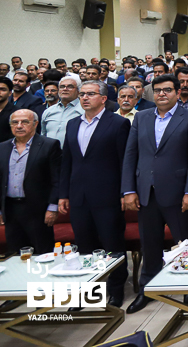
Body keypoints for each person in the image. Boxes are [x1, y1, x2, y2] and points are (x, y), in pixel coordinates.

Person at [122, 74, 188, 314]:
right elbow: (131, 154)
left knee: (184, 243)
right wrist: (129, 189)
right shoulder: (142, 117)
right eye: (157, 90)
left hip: (178, 193)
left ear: (177, 92)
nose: (161, 94)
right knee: (149, 243)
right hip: (145, 192)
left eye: (167, 90)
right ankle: (147, 289)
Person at [58, 80, 130, 308]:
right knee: (84, 245)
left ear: (103, 98)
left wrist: (125, 191)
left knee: (112, 244)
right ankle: (88, 292)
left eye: (90, 94)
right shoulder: (72, 124)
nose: (85, 98)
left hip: (108, 195)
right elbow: (67, 162)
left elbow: (124, 162)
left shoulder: (118, 123)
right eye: (82, 94)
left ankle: (116, 290)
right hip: (79, 195)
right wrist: (63, 194)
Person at [0, 109, 61, 255]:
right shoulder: (2, 147)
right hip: (10, 209)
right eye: (15, 122)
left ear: (35, 124)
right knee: (15, 254)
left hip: (38, 210)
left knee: (43, 253)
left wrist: (53, 207)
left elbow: (57, 179)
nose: (19, 126)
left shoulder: (49, 145)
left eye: (24, 122)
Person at [41, 77, 82, 145]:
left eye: (70, 86)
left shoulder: (84, 110)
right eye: (62, 87)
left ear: (78, 91)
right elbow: (43, 134)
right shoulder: (49, 111)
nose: (65, 89)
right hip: (50, 150)